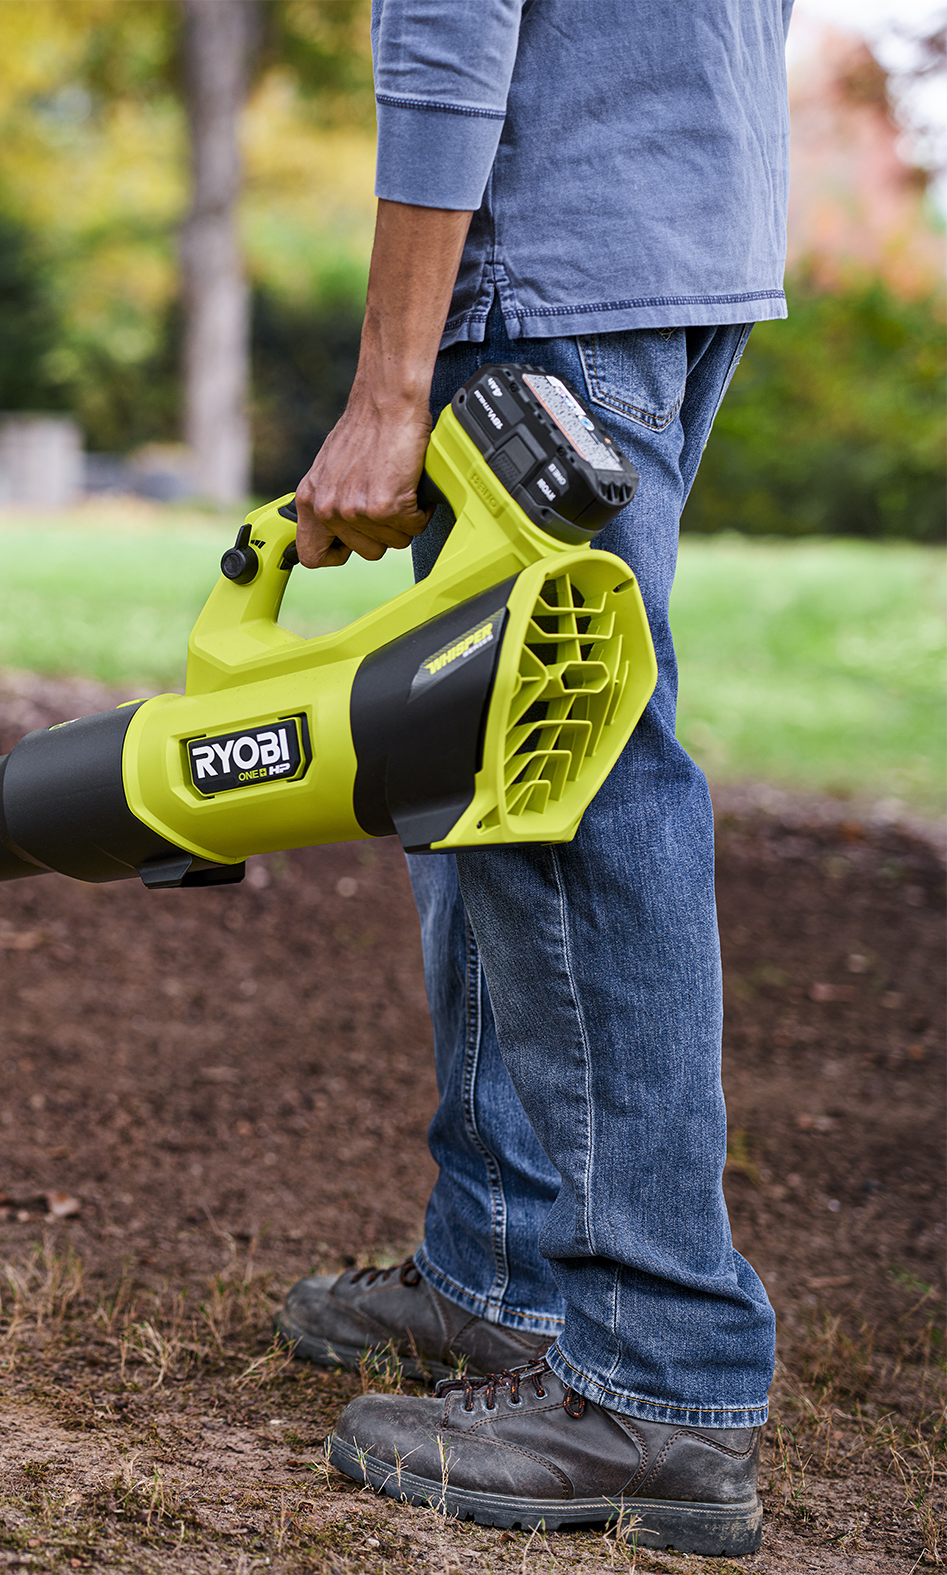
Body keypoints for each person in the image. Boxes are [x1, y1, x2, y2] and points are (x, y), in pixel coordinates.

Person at [275, 0, 791, 1558]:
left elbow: (446, 28)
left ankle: (660, 1375)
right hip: (682, 231)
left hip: (556, 257)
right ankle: (501, 1260)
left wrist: (390, 383)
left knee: (574, 784)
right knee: (500, 774)